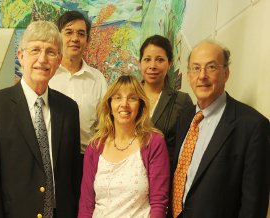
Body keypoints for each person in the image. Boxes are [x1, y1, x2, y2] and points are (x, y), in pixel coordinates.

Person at [0, 21, 82, 218]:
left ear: (59, 61)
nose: (43, 59)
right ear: (21, 56)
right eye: (35, 50)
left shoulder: (69, 108)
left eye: (50, 52)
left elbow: (74, 174)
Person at [170, 41, 270, 218]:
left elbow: (253, 205)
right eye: (195, 68)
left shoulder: (252, 126)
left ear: (226, 73)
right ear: (188, 76)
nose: (202, 75)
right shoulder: (185, 118)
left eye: (211, 67)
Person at [78, 75, 170, 218]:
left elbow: (159, 203)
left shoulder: (154, 143)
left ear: (140, 105)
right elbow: (86, 204)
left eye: (132, 98)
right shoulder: (95, 147)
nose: (124, 104)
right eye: (117, 97)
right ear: (109, 105)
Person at [49, 10, 108, 156]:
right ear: (58, 38)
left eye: (81, 34)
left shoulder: (97, 79)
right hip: (50, 158)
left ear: (87, 41)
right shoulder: (47, 75)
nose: (75, 38)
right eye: (68, 32)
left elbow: (105, 125)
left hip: (86, 158)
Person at [140, 35, 193, 160]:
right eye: (147, 59)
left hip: (165, 173)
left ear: (170, 63)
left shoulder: (181, 101)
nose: (152, 65)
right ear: (140, 62)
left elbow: (187, 148)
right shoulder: (128, 98)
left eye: (159, 60)